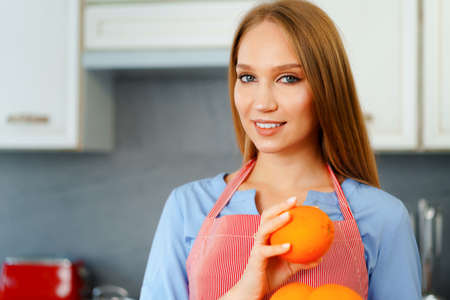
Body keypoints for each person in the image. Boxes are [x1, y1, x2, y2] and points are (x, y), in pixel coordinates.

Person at [139, 0, 422, 299]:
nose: (262, 102)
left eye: (288, 78)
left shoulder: (383, 217)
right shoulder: (187, 208)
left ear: (327, 88)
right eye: (247, 77)